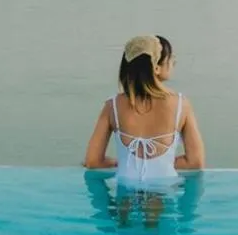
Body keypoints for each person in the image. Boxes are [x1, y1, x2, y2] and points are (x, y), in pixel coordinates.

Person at [82, 34, 205, 184]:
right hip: (163, 193)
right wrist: (160, 165)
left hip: (125, 195)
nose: (174, 62)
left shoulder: (112, 106)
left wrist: (121, 163)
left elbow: (93, 161)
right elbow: (195, 162)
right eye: (170, 58)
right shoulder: (181, 105)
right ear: (157, 68)